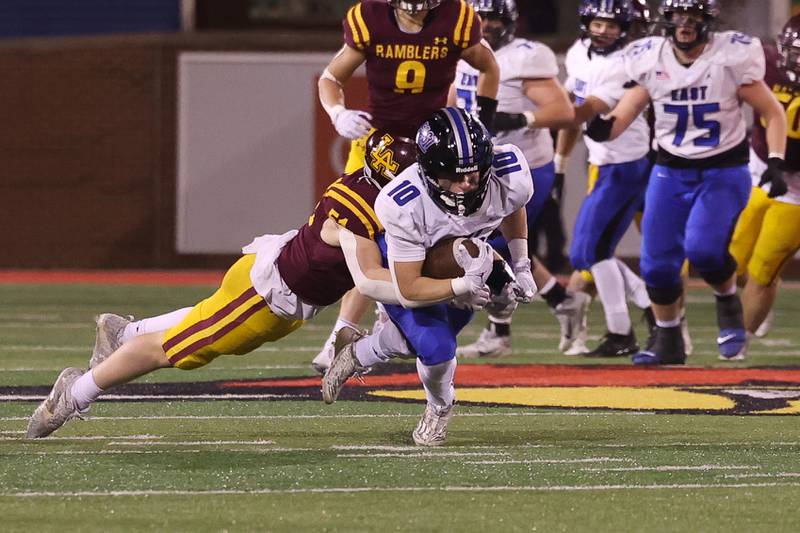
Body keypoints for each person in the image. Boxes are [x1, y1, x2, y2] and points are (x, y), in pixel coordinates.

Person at [25, 131, 489, 439]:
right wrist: (449, 286)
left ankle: (123, 332)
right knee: (173, 351)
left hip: (274, 280)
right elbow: (371, 278)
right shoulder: (361, 213)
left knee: (202, 320)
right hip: (269, 295)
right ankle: (77, 392)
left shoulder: (374, 189)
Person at [585, 0, 787, 365]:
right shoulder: (652, 58)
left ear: (708, 21)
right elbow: (627, 109)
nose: (685, 24)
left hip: (723, 168)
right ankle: (669, 340)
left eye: (693, 16)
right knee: (657, 266)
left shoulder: (729, 56)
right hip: (670, 169)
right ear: (667, 20)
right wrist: (603, 126)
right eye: (678, 16)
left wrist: (775, 159)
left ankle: (728, 304)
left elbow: (772, 112)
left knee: (705, 249)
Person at [321, 107, 535, 446]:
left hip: (466, 260)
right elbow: (409, 288)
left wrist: (522, 264)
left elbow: (512, 205)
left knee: (419, 338)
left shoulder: (508, 172)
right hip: (411, 269)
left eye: (476, 173)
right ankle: (440, 406)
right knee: (437, 348)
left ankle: (358, 352)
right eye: (456, 174)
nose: (468, 183)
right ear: (431, 172)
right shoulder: (402, 202)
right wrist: (463, 287)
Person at [313, 0, 501, 373]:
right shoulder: (370, 19)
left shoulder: (456, 18)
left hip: (430, 149)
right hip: (377, 145)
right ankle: (344, 331)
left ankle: (375, 326)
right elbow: (330, 78)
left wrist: (484, 117)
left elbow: (488, 65)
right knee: (355, 232)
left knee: (420, 240)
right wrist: (338, 113)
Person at [449, 0, 587, 359]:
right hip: (480, 169)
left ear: (511, 22)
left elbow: (563, 111)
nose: (489, 26)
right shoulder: (462, 51)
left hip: (522, 167)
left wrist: (519, 119)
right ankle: (562, 302)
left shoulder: (522, 56)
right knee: (500, 244)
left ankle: (499, 328)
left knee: (486, 240)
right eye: (482, 18)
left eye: (496, 19)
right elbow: (454, 100)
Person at [554, 0, 654, 358]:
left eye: (613, 25)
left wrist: (530, 117)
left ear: (626, 28)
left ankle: (650, 309)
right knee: (597, 252)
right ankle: (623, 330)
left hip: (626, 163)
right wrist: (560, 163)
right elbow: (571, 106)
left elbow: (583, 112)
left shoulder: (626, 63)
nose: (604, 30)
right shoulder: (578, 53)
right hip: (603, 163)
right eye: (599, 22)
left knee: (585, 252)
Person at [728, 16, 800, 351]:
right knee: (730, 258)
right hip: (756, 171)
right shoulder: (763, 59)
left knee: (763, 268)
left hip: (797, 191)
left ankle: (734, 346)